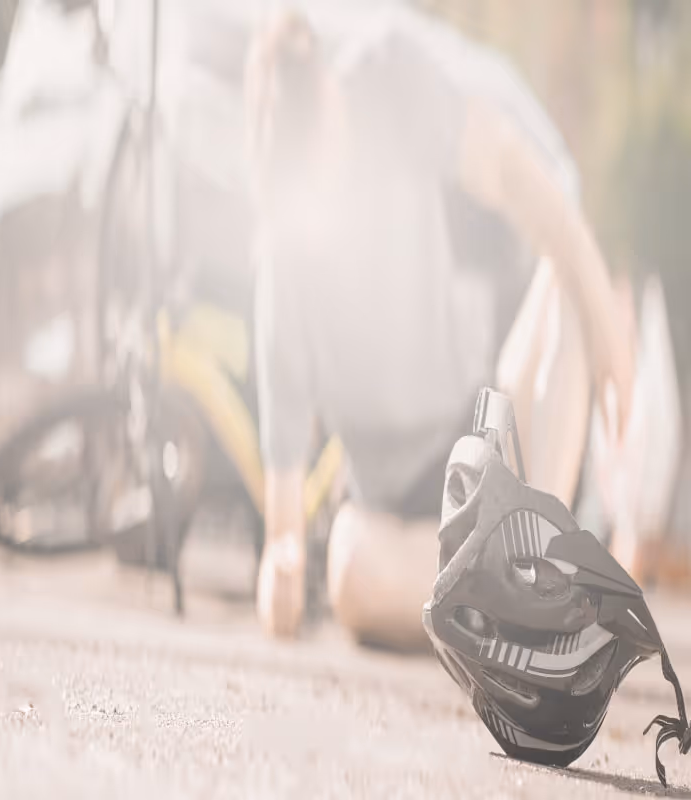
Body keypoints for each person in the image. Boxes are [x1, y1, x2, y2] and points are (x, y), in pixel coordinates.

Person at [246, 9, 634, 648]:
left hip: (487, 443)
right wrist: (280, 579)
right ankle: (513, 609)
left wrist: (610, 334)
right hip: (407, 520)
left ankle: (533, 579)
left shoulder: (390, 76)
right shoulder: (283, 261)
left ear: (329, 92)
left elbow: (514, 171)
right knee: (347, 565)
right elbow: (282, 535)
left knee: (566, 270)